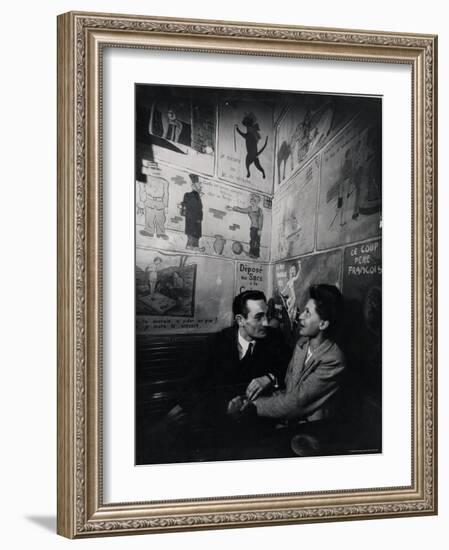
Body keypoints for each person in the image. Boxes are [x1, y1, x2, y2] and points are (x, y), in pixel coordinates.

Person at [228, 284, 345, 455]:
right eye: (303, 310)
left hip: (315, 436)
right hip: (289, 426)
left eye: (307, 313)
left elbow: (296, 402)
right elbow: (288, 389)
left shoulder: (333, 359)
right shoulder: (302, 345)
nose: (300, 316)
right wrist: (247, 398)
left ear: (323, 324)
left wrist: (251, 405)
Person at [227, 194, 264, 258]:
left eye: (254, 200)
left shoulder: (260, 210)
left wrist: (260, 229)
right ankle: (252, 254)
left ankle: (256, 255)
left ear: (257, 202)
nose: (252, 201)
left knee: (257, 242)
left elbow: (261, 220)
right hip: (253, 228)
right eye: (251, 200)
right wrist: (232, 208)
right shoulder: (250, 209)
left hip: (258, 229)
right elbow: (241, 210)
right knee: (252, 242)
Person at [179, 173, 205, 251]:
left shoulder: (197, 196)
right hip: (192, 218)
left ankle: (195, 246)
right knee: (191, 232)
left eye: (200, 186)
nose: (200, 187)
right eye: (198, 186)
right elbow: (186, 206)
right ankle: (190, 245)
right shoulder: (188, 195)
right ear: (193, 186)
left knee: (196, 233)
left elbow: (199, 208)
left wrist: (200, 218)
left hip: (197, 219)